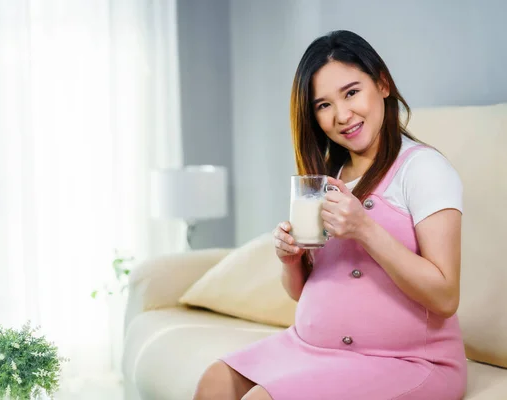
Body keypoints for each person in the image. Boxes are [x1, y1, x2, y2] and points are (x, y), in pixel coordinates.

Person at [193, 30, 467, 400]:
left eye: (351, 92)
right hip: (313, 349)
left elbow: (446, 297)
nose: (342, 115)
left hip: (404, 361)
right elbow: (304, 292)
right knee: (214, 381)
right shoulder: (328, 179)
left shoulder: (423, 169)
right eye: (323, 105)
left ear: (382, 84)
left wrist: (365, 230)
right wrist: (290, 261)